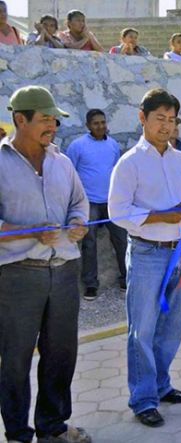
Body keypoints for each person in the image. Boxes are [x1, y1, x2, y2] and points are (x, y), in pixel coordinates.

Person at [108, 88, 181, 427]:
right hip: (148, 252)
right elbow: (118, 212)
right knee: (143, 328)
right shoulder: (129, 162)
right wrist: (160, 216)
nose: (166, 126)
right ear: (142, 118)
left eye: (171, 120)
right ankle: (143, 398)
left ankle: (161, 384)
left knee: (172, 326)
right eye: (159, 119)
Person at [0, 86, 90, 443]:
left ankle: (52, 427)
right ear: (20, 120)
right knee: (15, 359)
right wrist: (30, 232)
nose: (52, 126)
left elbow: (79, 203)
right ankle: (18, 433)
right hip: (18, 276)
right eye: (44, 119)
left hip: (65, 271)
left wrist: (79, 223)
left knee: (61, 354)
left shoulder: (62, 161)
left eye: (54, 119)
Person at [66, 109, 127, 301]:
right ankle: (91, 285)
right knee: (89, 244)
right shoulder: (78, 146)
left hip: (111, 202)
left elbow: (116, 171)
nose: (100, 126)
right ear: (88, 126)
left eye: (103, 122)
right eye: (95, 123)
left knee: (122, 239)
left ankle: (127, 278)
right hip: (89, 202)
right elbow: (70, 173)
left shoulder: (113, 145)